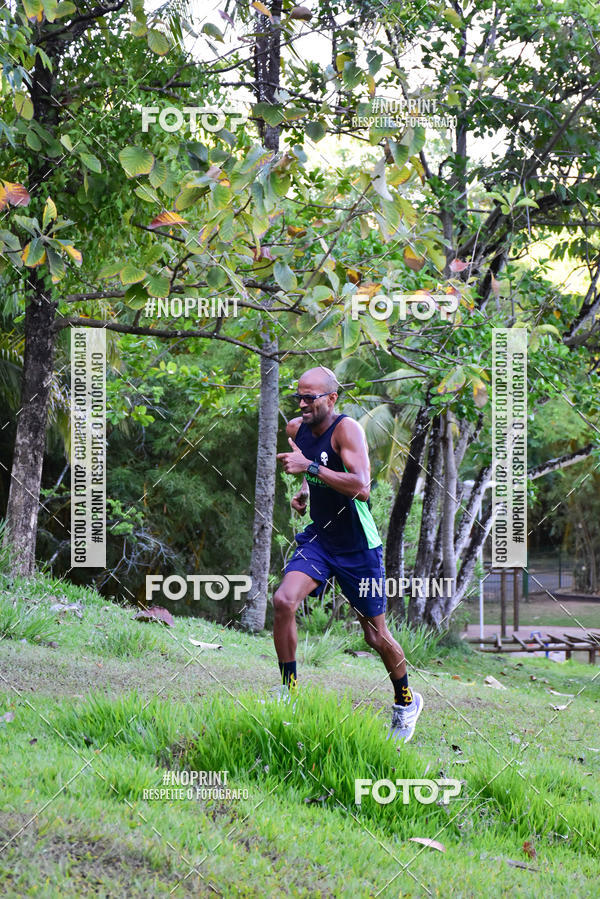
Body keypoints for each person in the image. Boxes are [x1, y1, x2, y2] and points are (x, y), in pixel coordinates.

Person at [274, 366, 423, 743]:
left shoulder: (348, 430)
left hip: (359, 547)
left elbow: (362, 487)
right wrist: (305, 493)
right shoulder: (297, 429)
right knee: (283, 601)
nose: (303, 403)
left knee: (375, 636)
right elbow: (317, 474)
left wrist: (309, 468)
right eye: (299, 396)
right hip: (322, 540)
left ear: (332, 398)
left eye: (311, 397)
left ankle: (406, 703)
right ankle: (288, 693)